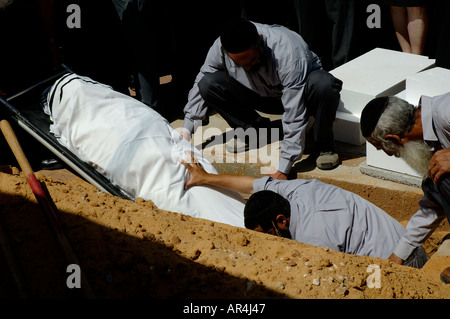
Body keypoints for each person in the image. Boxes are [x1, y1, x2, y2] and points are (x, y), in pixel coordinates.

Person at [179, 152, 428, 267]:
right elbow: (250, 184)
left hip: (400, 265)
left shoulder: (313, 237)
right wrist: (205, 178)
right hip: (404, 241)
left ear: (281, 221)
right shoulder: (293, 191)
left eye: (268, 234)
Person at [180, 18, 343, 179]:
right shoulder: (221, 46)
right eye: (239, 65)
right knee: (207, 84)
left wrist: (284, 166)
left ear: (260, 42)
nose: (246, 68)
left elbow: (294, 112)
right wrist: (187, 130)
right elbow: (204, 76)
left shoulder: (288, 52)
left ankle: (323, 143)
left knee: (324, 86)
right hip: (260, 95)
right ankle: (255, 131)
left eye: (250, 61)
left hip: (301, 95)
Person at [360, 94, 450, 283]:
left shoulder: (445, 112)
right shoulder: (432, 137)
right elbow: (433, 205)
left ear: (392, 138)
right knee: (434, 181)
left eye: (382, 148)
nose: (390, 154)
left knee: (445, 179)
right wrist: (398, 255)